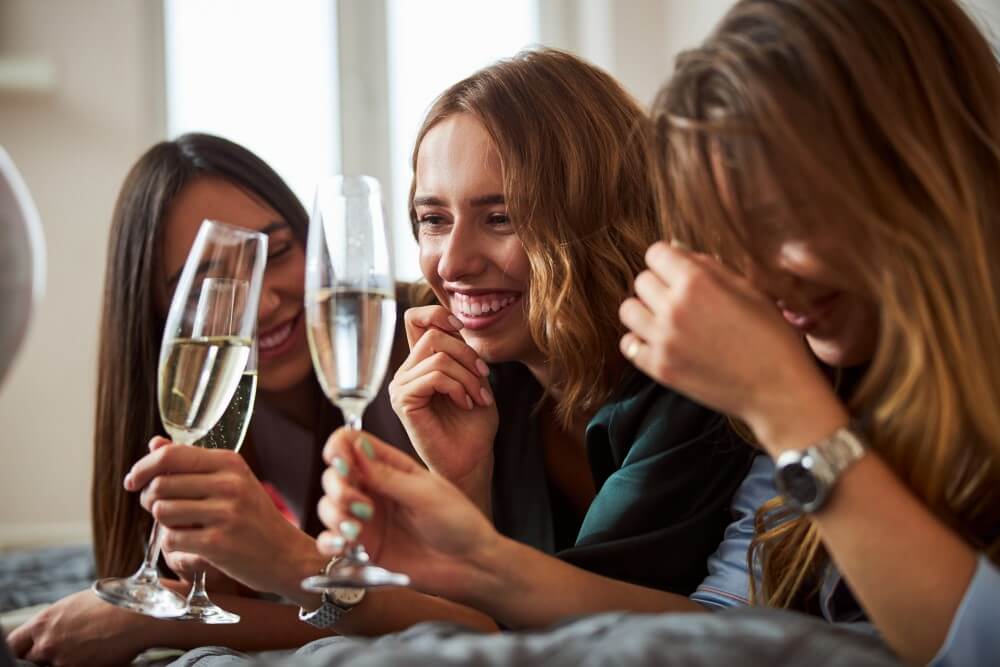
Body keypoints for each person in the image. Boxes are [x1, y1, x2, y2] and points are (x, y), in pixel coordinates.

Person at [311, 1, 1000, 665]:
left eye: (781, 218)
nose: (751, 274)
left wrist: (788, 406)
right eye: (731, 233)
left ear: (916, 172)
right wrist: (477, 554)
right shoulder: (842, 378)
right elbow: (726, 626)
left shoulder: (766, 384)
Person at [126, 49, 754, 633]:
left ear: (598, 218)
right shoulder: (482, 377)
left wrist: (293, 565)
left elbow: (596, 630)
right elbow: (469, 624)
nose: (451, 263)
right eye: (433, 220)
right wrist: (463, 479)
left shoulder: (692, 377)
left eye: (501, 217)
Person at [8, 133, 428, 666]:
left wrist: (161, 619)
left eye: (277, 252)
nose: (266, 301)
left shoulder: (409, 347)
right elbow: (262, 603)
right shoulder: (222, 406)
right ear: (160, 311)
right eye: (213, 285)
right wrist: (206, 585)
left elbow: (458, 618)